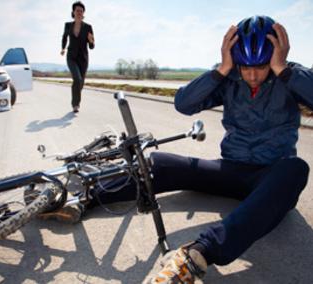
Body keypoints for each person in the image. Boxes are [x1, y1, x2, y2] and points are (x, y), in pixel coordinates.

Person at [43, 15, 313, 283]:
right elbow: (183, 104)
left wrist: (284, 71)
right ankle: (83, 199)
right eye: (245, 67)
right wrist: (221, 70)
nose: (252, 75)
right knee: (162, 163)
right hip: (231, 168)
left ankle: (197, 256)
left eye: (262, 66)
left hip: (273, 175)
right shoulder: (230, 78)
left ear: (277, 57)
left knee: (296, 169)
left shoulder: (290, 77)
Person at [61, 1, 95, 113]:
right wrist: (63, 48)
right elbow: (65, 37)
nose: (79, 12)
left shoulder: (88, 27)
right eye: (77, 10)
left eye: (81, 11)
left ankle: (75, 96)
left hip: (83, 59)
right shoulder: (68, 25)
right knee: (77, 78)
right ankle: (75, 104)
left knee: (80, 83)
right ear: (73, 12)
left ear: (83, 13)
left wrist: (91, 41)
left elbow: (92, 46)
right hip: (71, 56)